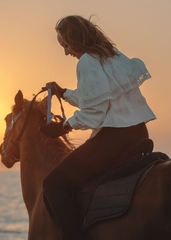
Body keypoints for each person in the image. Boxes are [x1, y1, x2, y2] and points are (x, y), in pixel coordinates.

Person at [40, 15, 156, 240]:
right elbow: (94, 98)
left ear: (75, 39)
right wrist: (64, 93)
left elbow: (94, 114)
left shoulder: (86, 61)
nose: (66, 52)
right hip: (139, 133)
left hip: (114, 138)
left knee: (53, 185)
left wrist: (64, 127)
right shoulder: (111, 56)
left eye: (65, 45)